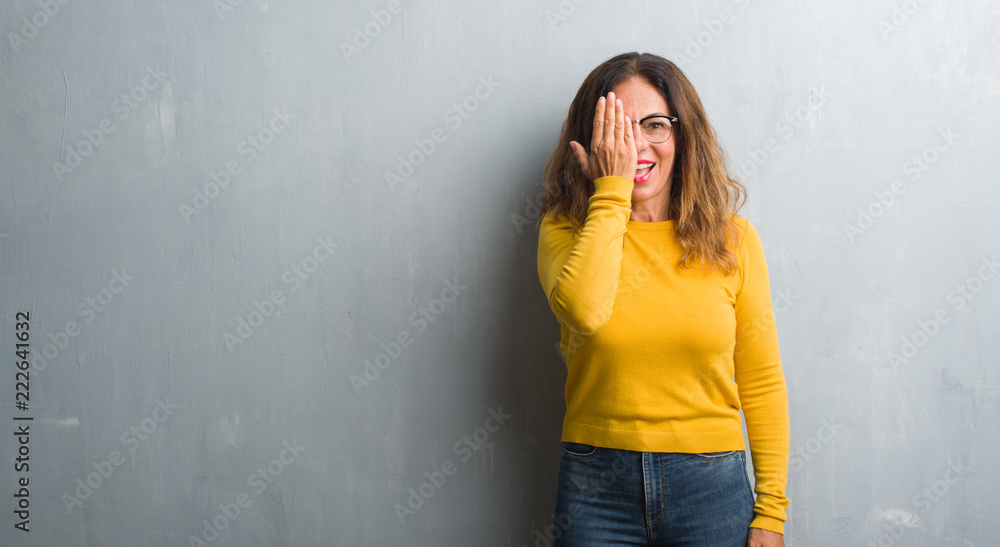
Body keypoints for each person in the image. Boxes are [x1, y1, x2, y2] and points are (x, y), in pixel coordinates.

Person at [534, 52, 790, 547]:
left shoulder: (734, 240)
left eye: (654, 124)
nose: (634, 146)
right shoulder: (564, 230)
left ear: (683, 132)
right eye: (616, 128)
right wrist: (612, 192)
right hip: (595, 487)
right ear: (590, 140)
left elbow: (761, 383)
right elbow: (584, 312)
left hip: (711, 485)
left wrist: (771, 515)